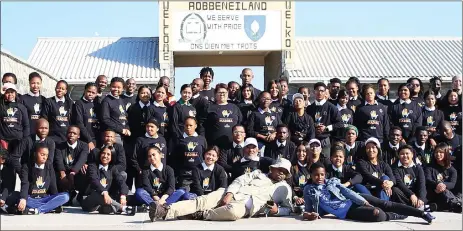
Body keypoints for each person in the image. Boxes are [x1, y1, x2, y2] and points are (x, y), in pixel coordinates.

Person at [148, 158, 293, 222]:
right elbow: (239, 180)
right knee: (201, 200)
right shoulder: (258, 174)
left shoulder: (285, 188)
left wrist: (278, 211)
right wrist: (229, 194)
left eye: (285, 172)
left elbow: (289, 208)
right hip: (231, 193)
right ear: (272, 168)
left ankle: (202, 215)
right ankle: (164, 210)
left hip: (245, 206)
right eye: (279, 169)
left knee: (233, 213)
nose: (281, 173)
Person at [302, 163, 435, 224]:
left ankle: (422, 214)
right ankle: (393, 216)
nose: (319, 177)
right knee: (376, 213)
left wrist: (363, 201)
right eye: (316, 175)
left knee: (385, 203)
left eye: (322, 174)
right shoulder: (308, 190)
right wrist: (310, 215)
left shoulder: (331, 182)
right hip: (347, 211)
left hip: (356, 199)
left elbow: (347, 191)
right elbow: (308, 210)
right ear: (311, 175)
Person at [7, 144, 69, 215]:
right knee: (14, 195)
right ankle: (48, 208)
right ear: (35, 154)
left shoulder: (49, 167)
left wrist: (56, 201)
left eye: (46, 155)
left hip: (45, 199)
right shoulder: (26, 167)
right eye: (42, 154)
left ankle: (36, 210)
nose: (44, 157)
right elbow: (25, 183)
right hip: (31, 199)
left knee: (65, 196)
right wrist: (23, 199)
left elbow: (53, 186)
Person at [81, 145, 136, 215]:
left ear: (112, 157)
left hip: (106, 200)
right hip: (90, 200)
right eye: (103, 153)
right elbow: (94, 180)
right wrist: (104, 192)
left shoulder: (112, 168)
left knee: (127, 194)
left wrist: (123, 196)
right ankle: (124, 208)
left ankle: (108, 208)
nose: (105, 156)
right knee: (99, 194)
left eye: (108, 154)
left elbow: (121, 181)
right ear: (100, 154)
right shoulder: (93, 166)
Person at [306, 82, 343, 157]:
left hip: (325, 140)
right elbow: (306, 124)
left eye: (322, 91)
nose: (319, 93)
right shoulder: (309, 108)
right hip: (312, 139)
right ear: (314, 92)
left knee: (326, 162)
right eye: (317, 90)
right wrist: (313, 128)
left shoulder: (332, 107)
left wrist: (326, 128)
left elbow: (340, 124)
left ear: (325, 92)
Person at [171, 117, 207, 194]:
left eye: (191, 125)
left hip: (199, 174)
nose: (188, 127)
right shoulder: (178, 139)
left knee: (201, 196)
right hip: (184, 175)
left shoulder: (201, 139)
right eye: (186, 125)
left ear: (195, 126)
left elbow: (205, 155)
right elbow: (174, 158)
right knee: (184, 196)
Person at [54, 126, 89, 204]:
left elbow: (81, 160)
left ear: (78, 136)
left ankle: (81, 195)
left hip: (76, 172)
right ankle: (64, 194)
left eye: (74, 133)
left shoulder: (84, 146)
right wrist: (62, 173)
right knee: (55, 174)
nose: (71, 135)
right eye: (70, 133)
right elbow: (58, 160)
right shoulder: (59, 146)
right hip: (64, 172)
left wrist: (73, 173)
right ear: (66, 134)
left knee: (87, 171)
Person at [425, 143, 462, 213]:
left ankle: (439, 206)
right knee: (444, 191)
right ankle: (455, 204)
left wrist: (443, 185)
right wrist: (438, 184)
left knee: (445, 191)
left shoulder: (452, 170)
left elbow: (452, 184)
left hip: (445, 194)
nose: (438, 154)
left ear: (446, 153)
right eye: (436, 152)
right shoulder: (429, 167)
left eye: (441, 152)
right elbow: (428, 179)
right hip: (433, 192)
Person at [131, 119, 167, 188]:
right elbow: (133, 157)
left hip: (160, 174)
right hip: (145, 175)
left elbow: (164, 157)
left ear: (157, 128)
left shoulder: (162, 139)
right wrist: (139, 170)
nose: (149, 129)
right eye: (147, 126)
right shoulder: (140, 140)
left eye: (152, 127)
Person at [204, 83, 242, 148]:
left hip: (231, 145)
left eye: (224, 92)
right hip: (214, 145)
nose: (222, 94)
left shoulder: (234, 107)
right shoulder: (209, 107)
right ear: (215, 94)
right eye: (219, 92)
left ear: (228, 93)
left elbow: (240, 123)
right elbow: (202, 125)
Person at [392, 145, 428, 210]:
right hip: (404, 193)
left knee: (424, 191)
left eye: (407, 153)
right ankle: (417, 207)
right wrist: (411, 194)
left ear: (412, 155)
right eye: (402, 154)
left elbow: (421, 184)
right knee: (395, 190)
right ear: (398, 156)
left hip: (416, 194)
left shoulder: (418, 168)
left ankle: (418, 204)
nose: (405, 156)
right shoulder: (394, 168)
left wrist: (421, 199)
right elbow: (399, 183)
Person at [99, 77, 131, 146]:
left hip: (123, 133)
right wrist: (121, 130)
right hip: (113, 135)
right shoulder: (106, 101)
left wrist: (127, 128)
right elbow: (105, 119)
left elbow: (125, 116)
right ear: (110, 87)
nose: (116, 89)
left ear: (123, 89)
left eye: (119, 87)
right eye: (114, 87)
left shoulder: (121, 100)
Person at [0, 83, 29, 151]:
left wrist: (23, 140)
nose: (10, 95)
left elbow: (26, 125)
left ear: (15, 93)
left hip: (18, 141)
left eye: (12, 92)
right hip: (4, 141)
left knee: (15, 161)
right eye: (7, 92)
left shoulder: (21, 107)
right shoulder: (1, 106)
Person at [72, 82, 99, 151]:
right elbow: (79, 123)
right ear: (85, 91)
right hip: (84, 139)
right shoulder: (79, 103)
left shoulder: (97, 104)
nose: (90, 94)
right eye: (89, 91)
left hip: (96, 139)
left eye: (93, 93)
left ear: (96, 94)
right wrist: (89, 140)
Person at [0, 147, 16, 214]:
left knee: (15, 195)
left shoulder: (7, 170)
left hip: (3, 196)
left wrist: (3, 198)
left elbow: (7, 186)